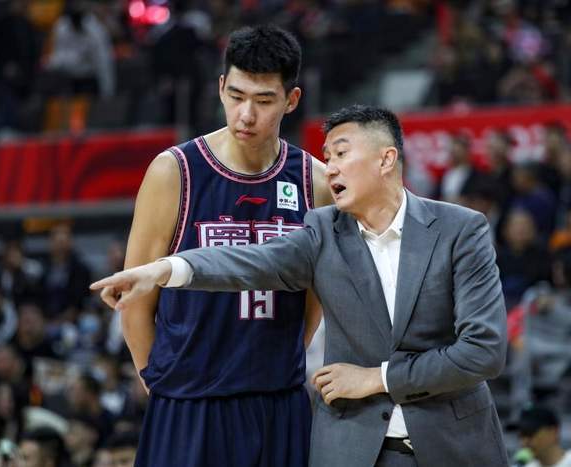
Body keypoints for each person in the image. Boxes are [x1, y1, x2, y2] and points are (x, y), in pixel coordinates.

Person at [92, 104, 509, 467]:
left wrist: (378, 379)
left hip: (453, 446)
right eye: (327, 156)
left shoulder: (460, 230)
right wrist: (165, 269)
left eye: (342, 154)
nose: (331, 168)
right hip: (353, 450)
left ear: (386, 160)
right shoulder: (322, 231)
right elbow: (250, 261)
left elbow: (483, 351)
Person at [98, 24, 332, 467]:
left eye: (264, 101)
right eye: (236, 96)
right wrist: (163, 384)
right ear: (221, 87)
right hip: (189, 402)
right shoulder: (174, 171)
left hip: (277, 403)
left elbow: (313, 303)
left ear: (292, 100)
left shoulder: (315, 182)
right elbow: (134, 301)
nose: (246, 114)